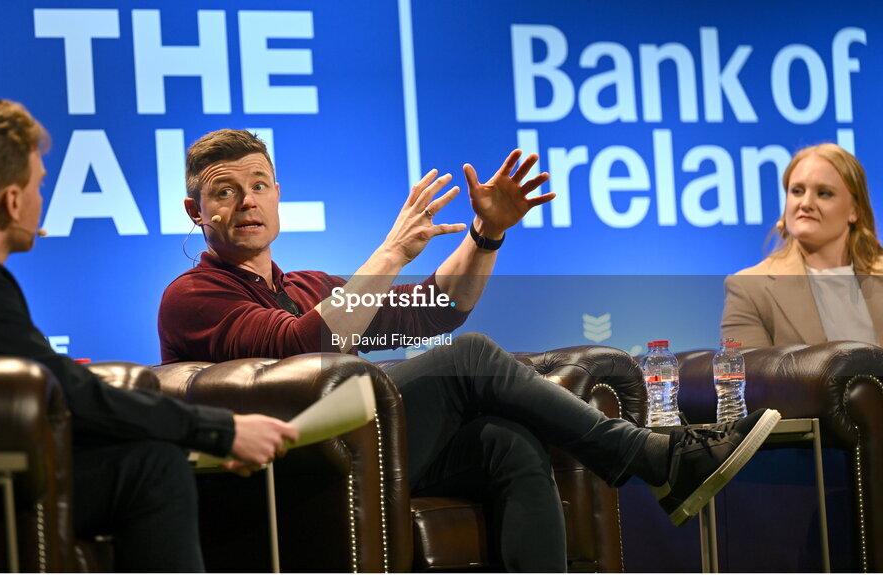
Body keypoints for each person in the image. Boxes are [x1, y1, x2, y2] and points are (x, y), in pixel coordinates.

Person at [159, 128, 781, 572]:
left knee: (506, 445)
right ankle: (650, 457)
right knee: (473, 356)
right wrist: (392, 253)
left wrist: (486, 235)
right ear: (196, 211)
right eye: (224, 192)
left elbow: (437, 309)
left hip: (353, 449)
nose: (246, 201)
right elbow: (303, 344)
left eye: (259, 184)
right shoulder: (191, 295)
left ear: (277, 196)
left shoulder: (308, 288)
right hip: (286, 471)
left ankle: (650, 468)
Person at [0, 101, 298, 572]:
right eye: (39, 184)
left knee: (146, 457)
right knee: (151, 469)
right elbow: (68, 395)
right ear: (11, 201)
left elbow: (50, 387)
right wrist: (220, 430)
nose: (41, 198)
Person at [722, 143, 883, 347]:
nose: (805, 203)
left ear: (854, 211)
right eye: (797, 191)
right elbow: (750, 377)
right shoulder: (749, 288)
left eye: (824, 193)